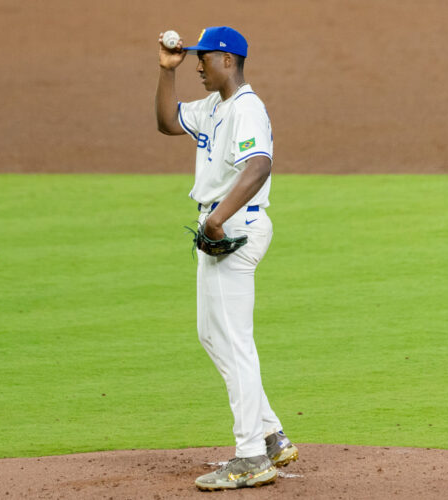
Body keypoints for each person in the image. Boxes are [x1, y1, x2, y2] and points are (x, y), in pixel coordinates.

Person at [155, 26, 298, 490]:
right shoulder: (216, 106)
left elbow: (259, 166)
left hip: (236, 225)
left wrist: (217, 218)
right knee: (212, 335)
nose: (196, 65)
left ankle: (251, 456)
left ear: (228, 59)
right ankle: (271, 433)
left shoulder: (247, 108)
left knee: (233, 339)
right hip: (222, 224)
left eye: (203, 59)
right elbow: (167, 122)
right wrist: (165, 71)